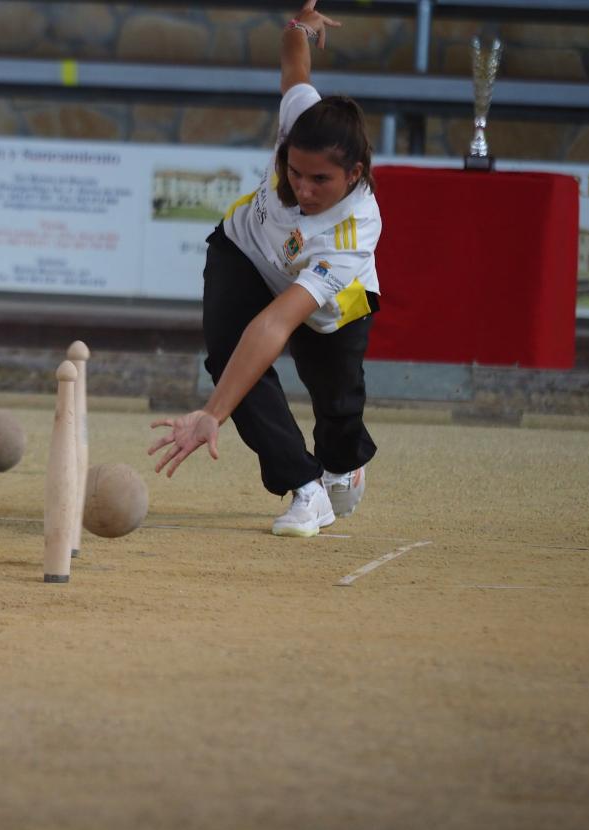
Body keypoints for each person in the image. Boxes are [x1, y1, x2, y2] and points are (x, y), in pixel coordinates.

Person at [148, 0, 380, 538]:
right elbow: (294, 63)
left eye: (320, 180)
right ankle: (304, 488)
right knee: (231, 360)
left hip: (330, 303)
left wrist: (212, 412)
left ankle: (341, 465)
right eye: (294, 172)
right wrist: (300, 26)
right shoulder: (300, 118)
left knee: (338, 408)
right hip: (243, 251)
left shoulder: (354, 231)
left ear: (353, 174)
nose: (302, 188)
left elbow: (278, 324)